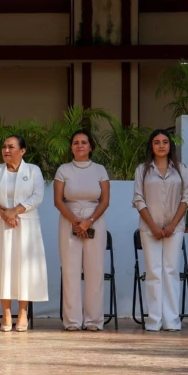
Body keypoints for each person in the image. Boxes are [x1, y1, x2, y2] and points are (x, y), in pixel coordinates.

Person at [0, 135, 47, 332]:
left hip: (25, 225)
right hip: (1, 225)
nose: (6, 150)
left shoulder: (33, 170)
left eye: (11, 147)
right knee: (3, 266)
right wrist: (3, 214)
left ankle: (23, 312)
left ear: (23, 150)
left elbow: (37, 196)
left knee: (23, 268)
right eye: (4, 147)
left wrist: (14, 211)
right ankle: (6, 313)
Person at [132, 129, 188, 332]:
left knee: (171, 271)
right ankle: (154, 320)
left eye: (165, 142)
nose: (161, 145)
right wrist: (154, 226)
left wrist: (173, 224)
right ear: (151, 145)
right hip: (150, 229)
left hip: (174, 229)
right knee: (154, 273)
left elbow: (186, 198)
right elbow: (138, 199)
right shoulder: (142, 170)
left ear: (170, 146)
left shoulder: (181, 169)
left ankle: (172, 320)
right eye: (157, 142)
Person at [53, 130, 110, 331]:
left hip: (95, 219)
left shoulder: (100, 170)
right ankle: (72, 321)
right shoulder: (63, 170)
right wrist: (77, 222)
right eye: (76, 142)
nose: (80, 146)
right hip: (69, 218)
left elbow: (105, 200)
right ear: (71, 147)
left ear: (91, 146)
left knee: (95, 271)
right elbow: (58, 201)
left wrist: (89, 221)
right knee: (71, 271)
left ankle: (93, 320)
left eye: (84, 142)